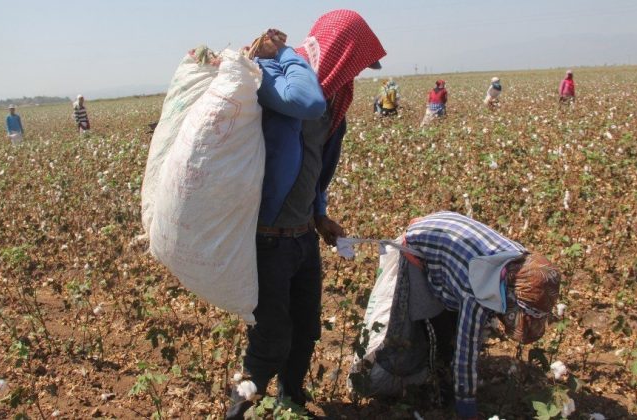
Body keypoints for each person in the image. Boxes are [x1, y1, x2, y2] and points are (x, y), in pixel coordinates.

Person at [227, 9, 385, 419]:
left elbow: (314, 164)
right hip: (267, 237)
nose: (357, 74)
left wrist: (320, 214)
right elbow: (305, 101)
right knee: (271, 339)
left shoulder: (335, 101)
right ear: (340, 50)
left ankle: (290, 404)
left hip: (301, 238)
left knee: (305, 333)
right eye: (355, 63)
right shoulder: (277, 74)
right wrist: (285, 54)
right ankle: (237, 413)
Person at [402, 211, 561, 419]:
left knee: (457, 320)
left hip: (447, 228)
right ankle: (436, 386)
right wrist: (466, 407)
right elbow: (465, 352)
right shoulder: (477, 293)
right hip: (417, 245)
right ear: (512, 299)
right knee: (436, 327)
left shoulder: (520, 262)